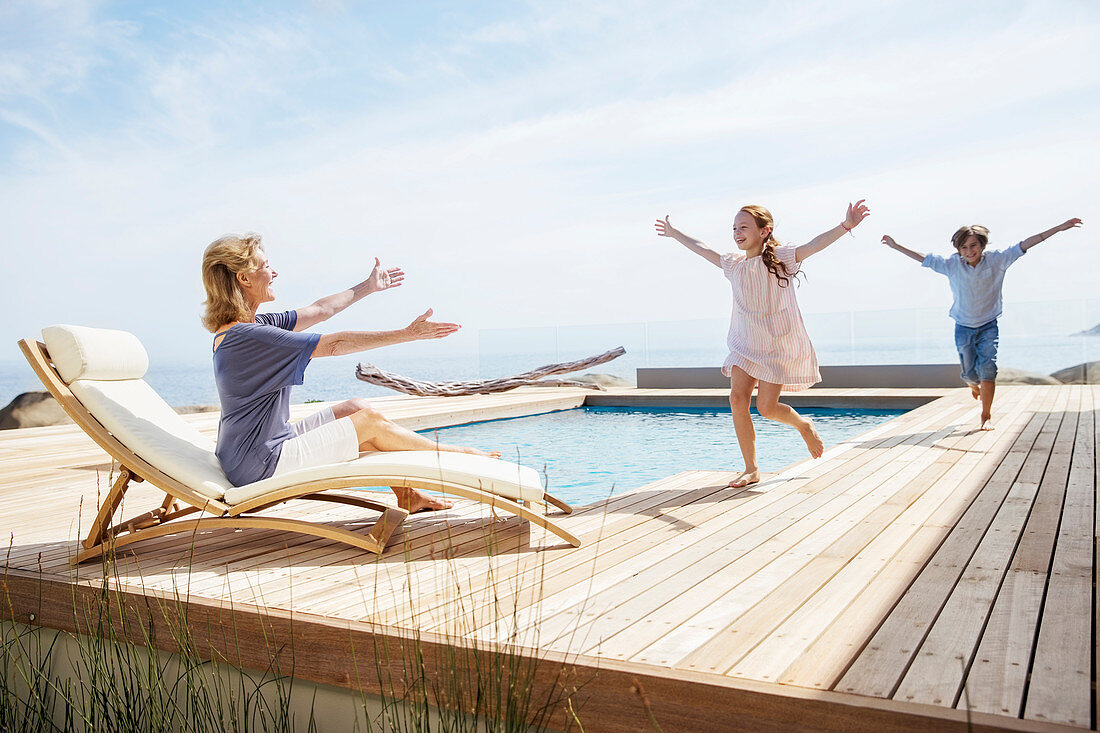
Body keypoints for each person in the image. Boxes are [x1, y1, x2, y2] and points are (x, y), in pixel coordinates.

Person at [201, 232, 499, 513]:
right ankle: (460, 455)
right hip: (260, 464)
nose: (274, 272)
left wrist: (368, 287)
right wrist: (408, 333)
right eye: (266, 266)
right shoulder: (252, 337)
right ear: (244, 278)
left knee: (357, 409)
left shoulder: (247, 329)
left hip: (254, 450)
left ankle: (410, 495)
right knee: (367, 423)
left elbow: (320, 309)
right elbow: (334, 345)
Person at [655, 201, 871, 488]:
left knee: (767, 408)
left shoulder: (781, 258)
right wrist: (674, 232)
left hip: (775, 347)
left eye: (744, 227)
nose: (737, 232)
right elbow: (702, 247)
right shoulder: (733, 264)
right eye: (734, 228)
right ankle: (751, 468)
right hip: (744, 344)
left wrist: (846, 226)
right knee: (736, 400)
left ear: (764, 231)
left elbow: (814, 244)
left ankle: (803, 425)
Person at [882, 217, 1082, 431]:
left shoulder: (998, 260)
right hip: (963, 326)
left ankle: (986, 416)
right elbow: (924, 259)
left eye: (973, 245)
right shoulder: (952, 265)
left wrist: (1059, 228)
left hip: (988, 325)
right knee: (969, 374)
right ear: (959, 249)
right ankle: (971, 383)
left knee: (988, 369)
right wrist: (896, 246)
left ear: (982, 245)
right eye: (964, 247)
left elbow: (1027, 243)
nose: (969, 251)